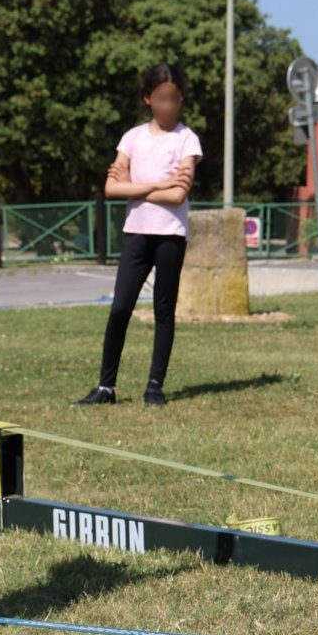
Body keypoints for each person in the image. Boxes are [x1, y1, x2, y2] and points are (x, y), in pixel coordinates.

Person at [74, 64, 200, 408]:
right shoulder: (131, 138)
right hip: (136, 234)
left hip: (170, 235)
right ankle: (105, 388)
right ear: (147, 99)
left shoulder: (187, 140)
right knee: (119, 309)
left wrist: (134, 189)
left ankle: (155, 386)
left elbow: (178, 197)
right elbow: (111, 187)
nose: (168, 106)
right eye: (161, 99)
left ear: (181, 99)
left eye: (174, 99)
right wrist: (158, 183)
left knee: (163, 310)